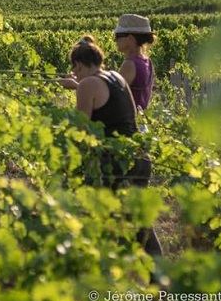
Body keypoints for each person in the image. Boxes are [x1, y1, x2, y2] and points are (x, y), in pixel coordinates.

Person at [59, 36, 163, 257]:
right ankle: (159, 280)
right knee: (140, 225)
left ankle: (98, 276)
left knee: (96, 220)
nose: (74, 72)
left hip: (113, 164)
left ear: (78, 64)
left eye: (74, 67)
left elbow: (81, 131)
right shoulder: (116, 77)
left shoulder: (86, 85)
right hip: (138, 158)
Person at [114, 14, 155, 111]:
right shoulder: (147, 62)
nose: (115, 40)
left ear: (130, 38)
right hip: (141, 121)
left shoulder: (130, 64)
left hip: (129, 123)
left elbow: (112, 96)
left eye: (118, 36)